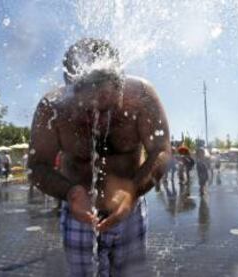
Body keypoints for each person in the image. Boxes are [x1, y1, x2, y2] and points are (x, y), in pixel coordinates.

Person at [28, 38, 171, 276]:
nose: (99, 120)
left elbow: (162, 151)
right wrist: (71, 193)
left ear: (120, 85)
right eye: (88, 110)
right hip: (79, 216)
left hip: (131, 210)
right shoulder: (52, 108)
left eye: (108, 109)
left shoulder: (142, 96)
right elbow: (36, 166)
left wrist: (132, 191)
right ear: (70, 91)